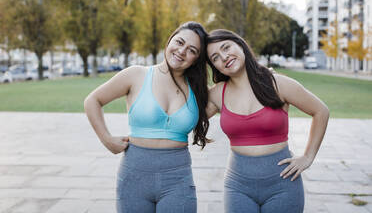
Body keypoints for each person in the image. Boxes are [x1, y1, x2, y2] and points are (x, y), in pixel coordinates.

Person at [84, 21, 210, 213]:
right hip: (134, 178)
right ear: (169, 41)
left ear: (196, 59)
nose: (182, 51)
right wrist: (107, 140)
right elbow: (93, 100)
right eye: (179, 42)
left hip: (178, 180)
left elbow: (242, 97)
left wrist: (264, 76)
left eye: (192, 50)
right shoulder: (136, 74)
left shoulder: (199, 91)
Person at [205, 29, 329, 213]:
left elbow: (321, 111)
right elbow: (187, 119)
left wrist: (308, 157)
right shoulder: (216, 93)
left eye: (226, 47)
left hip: (283, 185)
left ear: (240, 44)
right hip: (238, 188)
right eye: (215, 57)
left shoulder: (277, 83)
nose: (224, 57)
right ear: (214, 66)